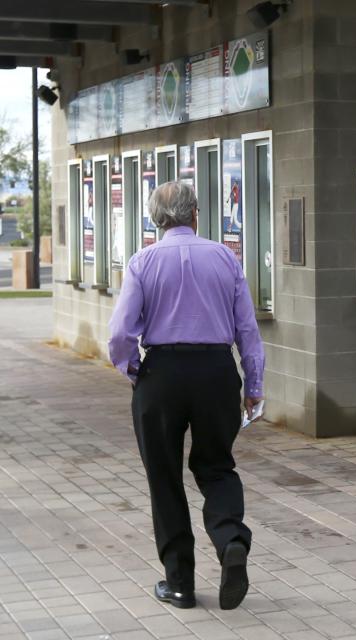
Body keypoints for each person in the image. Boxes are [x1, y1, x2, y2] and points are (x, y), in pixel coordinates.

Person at [107, 181, 264, 611]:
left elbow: (121, 333)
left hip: (163, 373)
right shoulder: (224, 258)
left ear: (156, 221)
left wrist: (134, 369)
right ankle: (231, 539)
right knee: (217, 466)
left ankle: (179, 584)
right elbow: (247, 330)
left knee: (164, 477)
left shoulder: (143, 262)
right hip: (216, 371)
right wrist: (254, 386)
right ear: (195, 214)